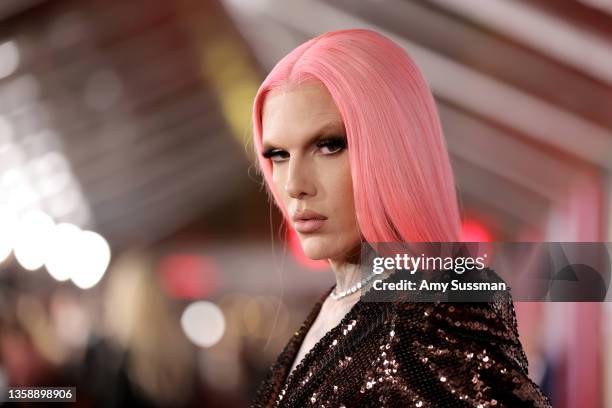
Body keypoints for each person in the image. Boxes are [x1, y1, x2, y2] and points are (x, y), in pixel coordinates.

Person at [250, 29, 551, 407]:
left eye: (329, 145)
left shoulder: (435, 317)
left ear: (393, 150)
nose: (294, 184)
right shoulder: (341, 305)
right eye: (278, 154)